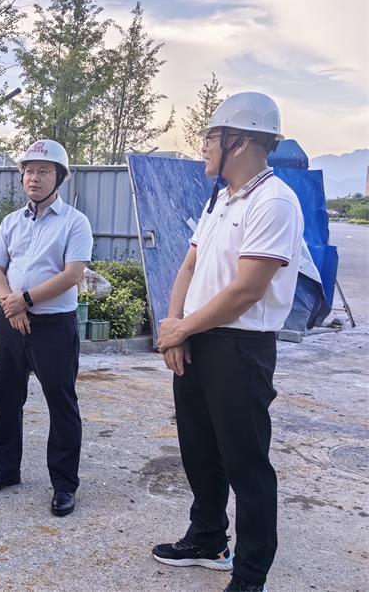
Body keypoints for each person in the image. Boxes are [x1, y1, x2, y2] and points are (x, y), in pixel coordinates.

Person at [152, 92, 303, 592]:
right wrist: (175, 325)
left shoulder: (274, 201)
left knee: (246, 463)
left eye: (209, 137)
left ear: (239, 140)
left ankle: (251, 574)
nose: (203, 147)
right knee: (200, 451)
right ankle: (208, 539)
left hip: (239, 349)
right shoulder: (220, 198)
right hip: (197, 338)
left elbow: (247, 290)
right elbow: (189, 266)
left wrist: (184, 328)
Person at [0, 139, 93, 517]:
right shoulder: (11, 222)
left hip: (53, 327)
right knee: (8, 399)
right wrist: (10, 304)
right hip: (11, 323)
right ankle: (6, 469)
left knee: (61, 404)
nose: (34, 178)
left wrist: (24, 300)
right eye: (29, 171)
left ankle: (64, 484)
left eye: (43, 171)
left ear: (59, 177)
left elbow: (72, 274)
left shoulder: (75, 222)